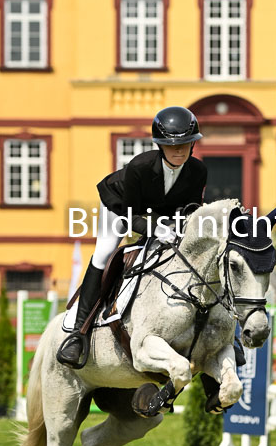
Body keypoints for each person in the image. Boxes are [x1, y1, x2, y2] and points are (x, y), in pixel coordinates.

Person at [57, 106, 207, 369]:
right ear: (160, 145)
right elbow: (130, 217)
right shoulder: (140, 166)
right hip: (120, 206)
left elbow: (190, 209)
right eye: (172, 145)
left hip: (161, 212)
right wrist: (154, 229)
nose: (179, 151)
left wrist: (180, 226)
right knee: (104, 254)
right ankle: (78, 333)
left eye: (185, 144)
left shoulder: (198, 170)